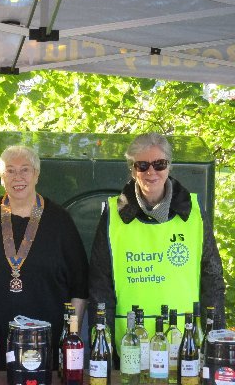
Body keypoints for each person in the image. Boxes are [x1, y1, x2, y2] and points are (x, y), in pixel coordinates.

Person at [88, 132, 225, 366]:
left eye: (159, 164)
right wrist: (102, 346)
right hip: (130, 344)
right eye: (142, 165)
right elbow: (100, 285)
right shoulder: (113, 214)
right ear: (133, 170)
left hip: (184, 342)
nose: (151, 172)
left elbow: (212, 278)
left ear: (169, 166)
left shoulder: (193, 212)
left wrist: (217, 341)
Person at [0, 145, 89, 369]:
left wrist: (70, 337)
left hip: (49, 343)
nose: (18, 177)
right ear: (1, 177)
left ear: (37, 174)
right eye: (10, 171)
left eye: (25, 169)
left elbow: (80, 286)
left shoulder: (60, 221)